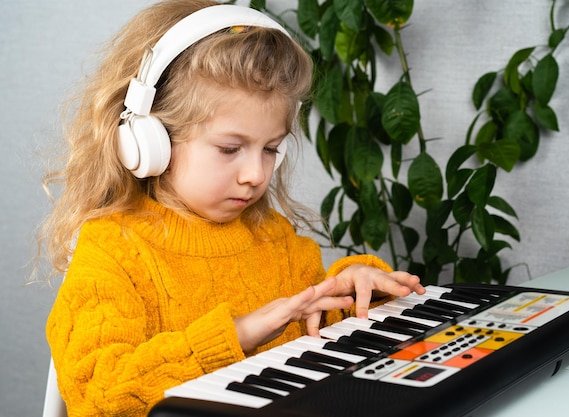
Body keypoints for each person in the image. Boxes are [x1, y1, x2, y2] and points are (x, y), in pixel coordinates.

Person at [40, 1, 425, 415]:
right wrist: (236, 334)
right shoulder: (112, 251)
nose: (255, 174)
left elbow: (324, 332)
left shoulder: (274, 240)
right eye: (230, 148)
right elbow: (98, 394)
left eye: (270, 149)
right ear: (150, 141)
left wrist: (357, 288)